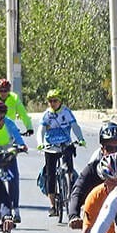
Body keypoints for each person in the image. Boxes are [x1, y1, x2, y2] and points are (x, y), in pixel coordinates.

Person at [67, 121, 117, 229]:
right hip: (99, 213)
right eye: (109, 148)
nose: (114, 152)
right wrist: (73, 215)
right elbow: (78, 191)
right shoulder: (93, 167)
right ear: (103, 149)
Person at [36, 89, 86, 217]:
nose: (52, 103)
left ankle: (69, 189)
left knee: (69, 167)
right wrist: (40, 143)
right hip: (50, 146)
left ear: (60, 101)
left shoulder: (66, 112)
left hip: (65, 144)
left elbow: (75, 126)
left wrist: (80, 139)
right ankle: (53, 205)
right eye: (50, 101)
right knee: (51, 175)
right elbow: (41, 130)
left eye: (55, 101)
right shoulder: (46, 114)